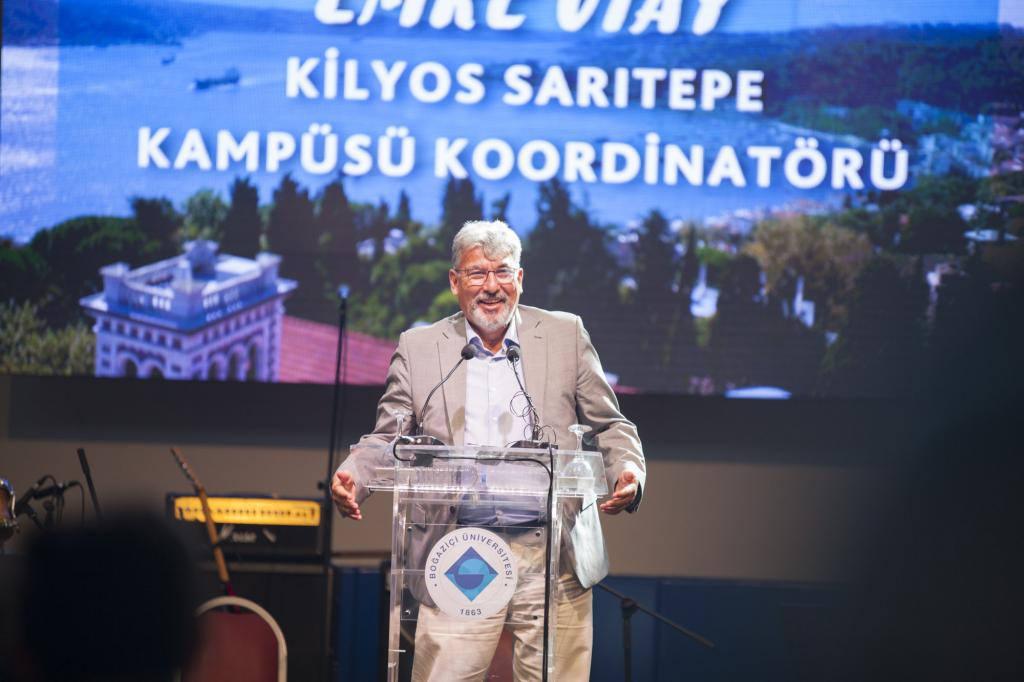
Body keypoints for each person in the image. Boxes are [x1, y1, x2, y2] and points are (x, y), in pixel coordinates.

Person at [332, 219, 646, 681]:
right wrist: (355, 475)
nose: (491, 287)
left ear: (520, 278)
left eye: (502, 272)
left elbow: (610, 424)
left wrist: (628, 471)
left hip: (553, 552)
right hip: (460, 548)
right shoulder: (420, 348)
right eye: (478, 273)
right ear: (454, 281)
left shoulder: (565, 335)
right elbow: (389, 437)